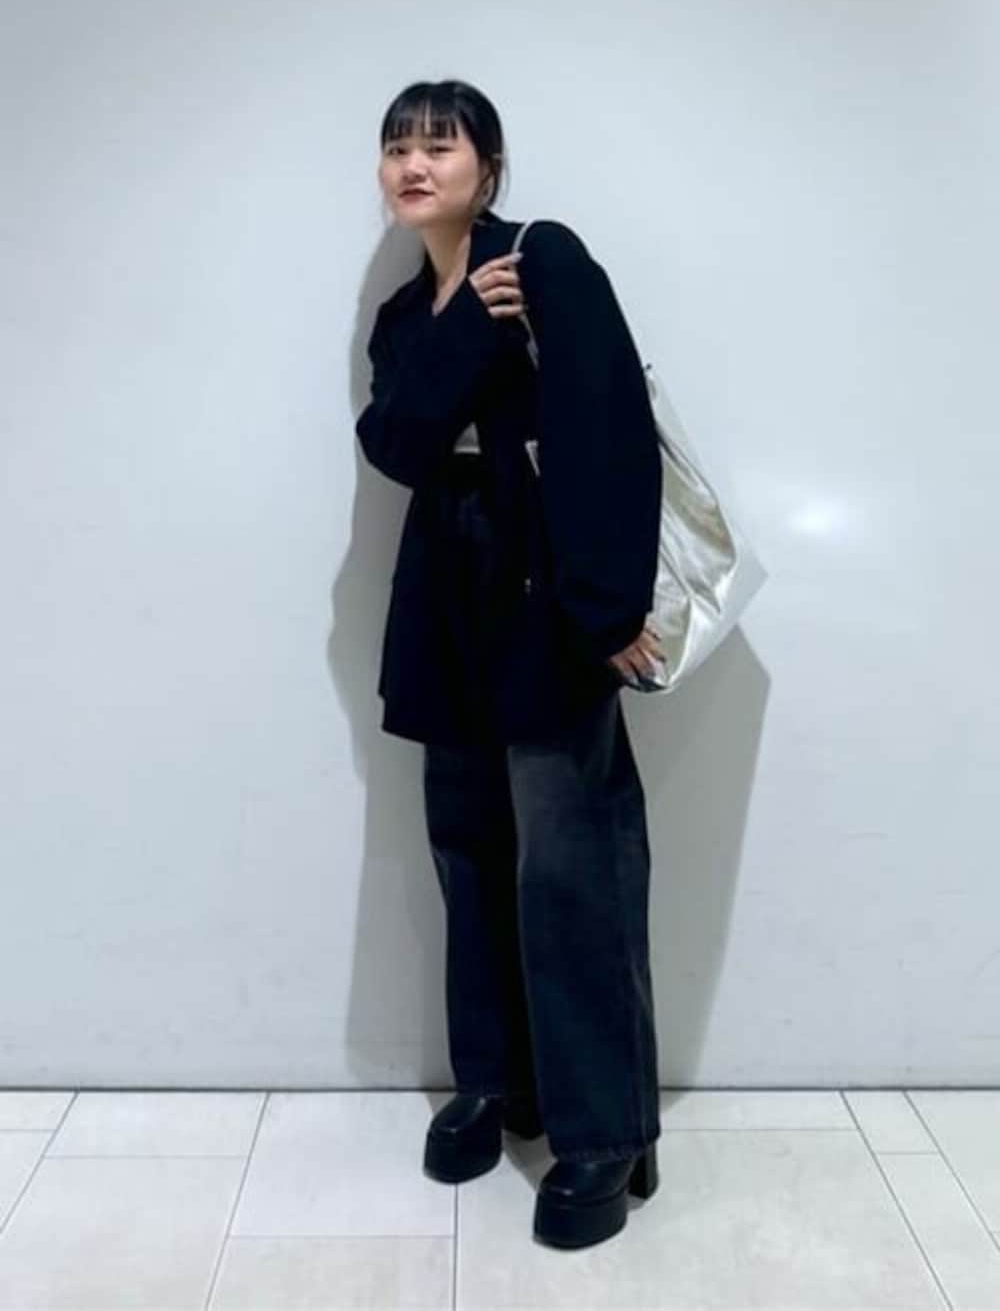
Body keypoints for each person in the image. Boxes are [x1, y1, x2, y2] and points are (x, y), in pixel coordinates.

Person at [355, 79, 663, 1250]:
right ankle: (494, 1078)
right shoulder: (407, 309)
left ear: (488, 166)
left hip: (543, 588)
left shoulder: (543, 259)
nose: (414, 164)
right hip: (444, 593)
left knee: (570, 863)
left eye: (440, 145)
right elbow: (395, 444)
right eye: (396, 146)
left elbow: (606, 423)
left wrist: (606, 608)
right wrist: (464, 333)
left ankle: (603, 1128)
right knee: (467, 847)